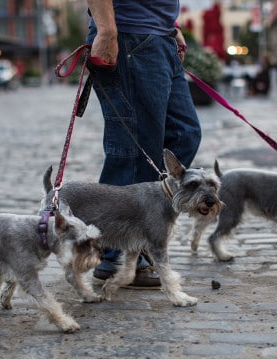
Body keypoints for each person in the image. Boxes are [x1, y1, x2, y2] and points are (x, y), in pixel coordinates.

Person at [86, 0, 202, 288]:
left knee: (184, 134)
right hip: (129, 37)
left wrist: (170, 26)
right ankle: (114, 253)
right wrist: (107, 30)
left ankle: (136, 238)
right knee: (135, 150)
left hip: (159, 37)